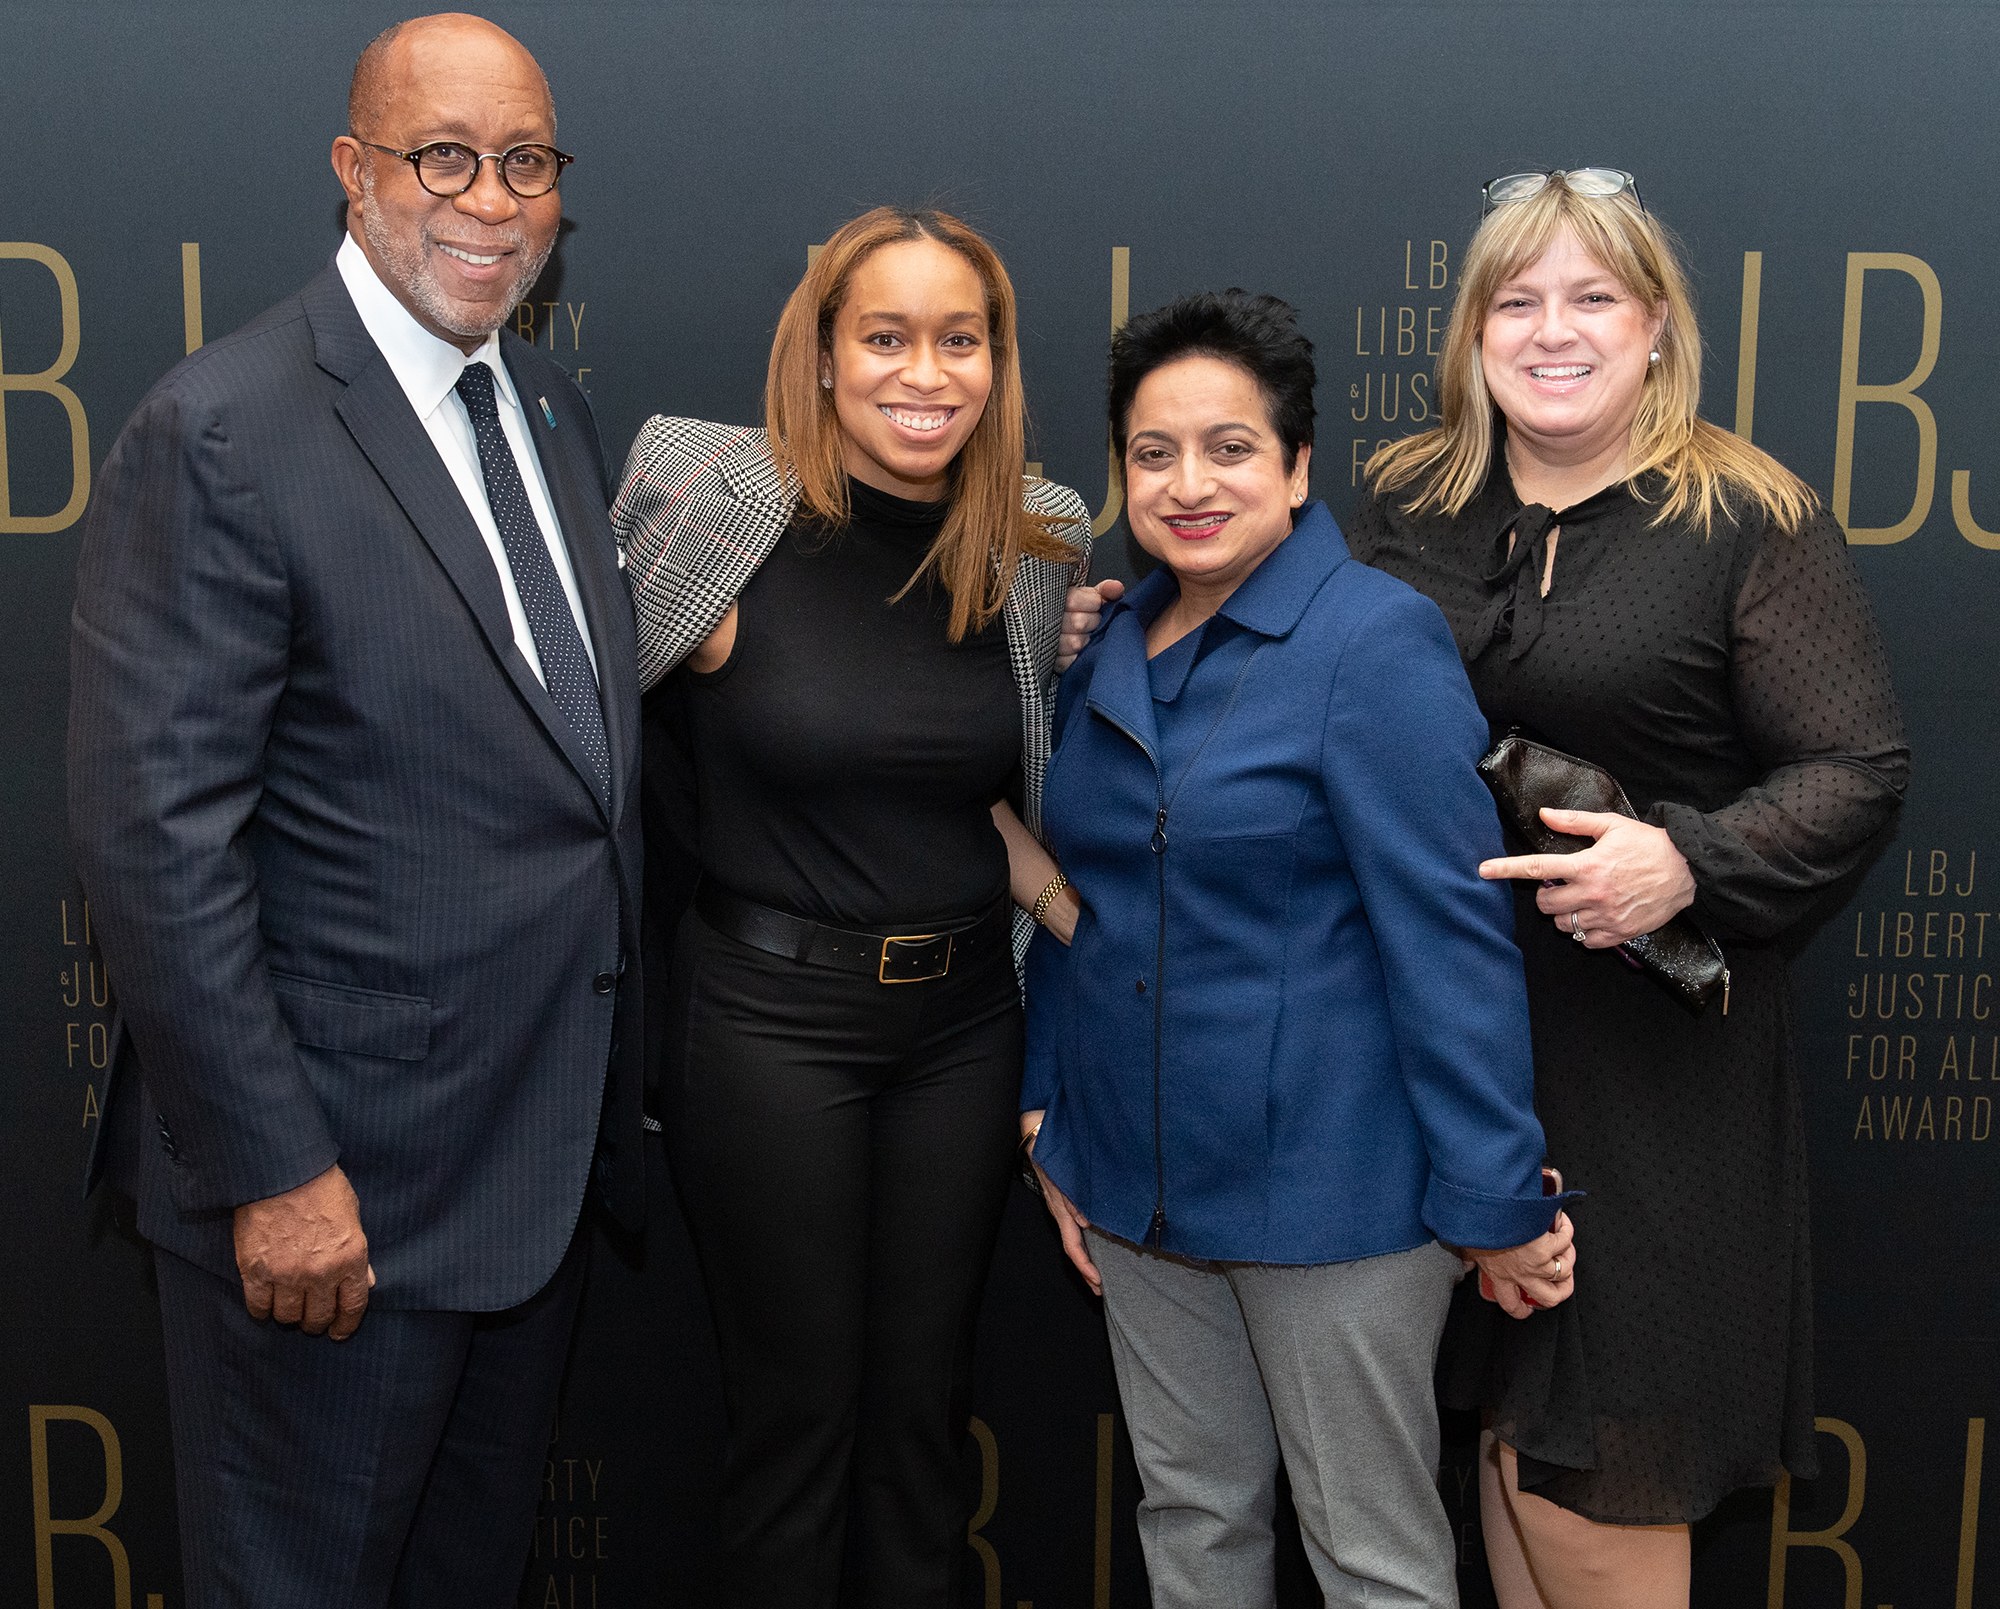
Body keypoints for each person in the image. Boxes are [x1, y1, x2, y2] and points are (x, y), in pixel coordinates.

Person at [67, 15, 643, 1606]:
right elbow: (154, 841)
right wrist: (274, 1169)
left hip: (525, 1181)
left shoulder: (546, 408)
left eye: (525, 162)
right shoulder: (225, 428)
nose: (490, 201)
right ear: (353, 170)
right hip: (336, 1208)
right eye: (442, 158)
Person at [1347, 169, 1909, 1609]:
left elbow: (1856, 768)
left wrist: (1684, 859)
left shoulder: (1748, 514)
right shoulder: (1409, 502)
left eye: (1593, 297)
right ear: (1472, 332)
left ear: (1656, 325)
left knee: (1598, 1462)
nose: (1554, 330)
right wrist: (1118, 623)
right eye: (1517, 301)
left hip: (1653, 1072)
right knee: (1512, 1439)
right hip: (1455, 1048)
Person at [1021, 288, 1575, 1609]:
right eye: (1154, 453)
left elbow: (1450, 942)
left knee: (1371, 1559)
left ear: (1297, 466)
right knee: (1192, 1525)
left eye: (1230, 448)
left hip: (1334, 1205)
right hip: (1138, 1192)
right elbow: (1081, 902)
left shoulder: (1373, 640)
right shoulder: (1110, 649)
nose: (1189, 484)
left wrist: (1496, 1203)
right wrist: (1049, 1107)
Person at [610, 205, 1092, 1608]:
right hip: (768, 1028)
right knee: (797, 1429)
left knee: (925, 1427)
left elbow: (965, 803)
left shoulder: (1032, 541)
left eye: (961, 340)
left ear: (997, 362)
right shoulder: (712, 508)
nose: (925, 373)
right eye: (886, 337)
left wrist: (1105, 940)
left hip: (963, 1031)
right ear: (822, 354)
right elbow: (578, 738)